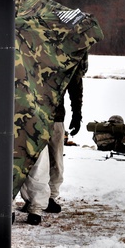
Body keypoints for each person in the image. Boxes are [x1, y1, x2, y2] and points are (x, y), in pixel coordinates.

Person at [19, 54, 86, 225]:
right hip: (30, 116)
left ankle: (48, 198)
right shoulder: (31, 43)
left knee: (55, 160)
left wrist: (77, 113)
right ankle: (34, 203)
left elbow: (75, 83)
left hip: (53, 116)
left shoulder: (70, 52)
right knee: (33, 162)